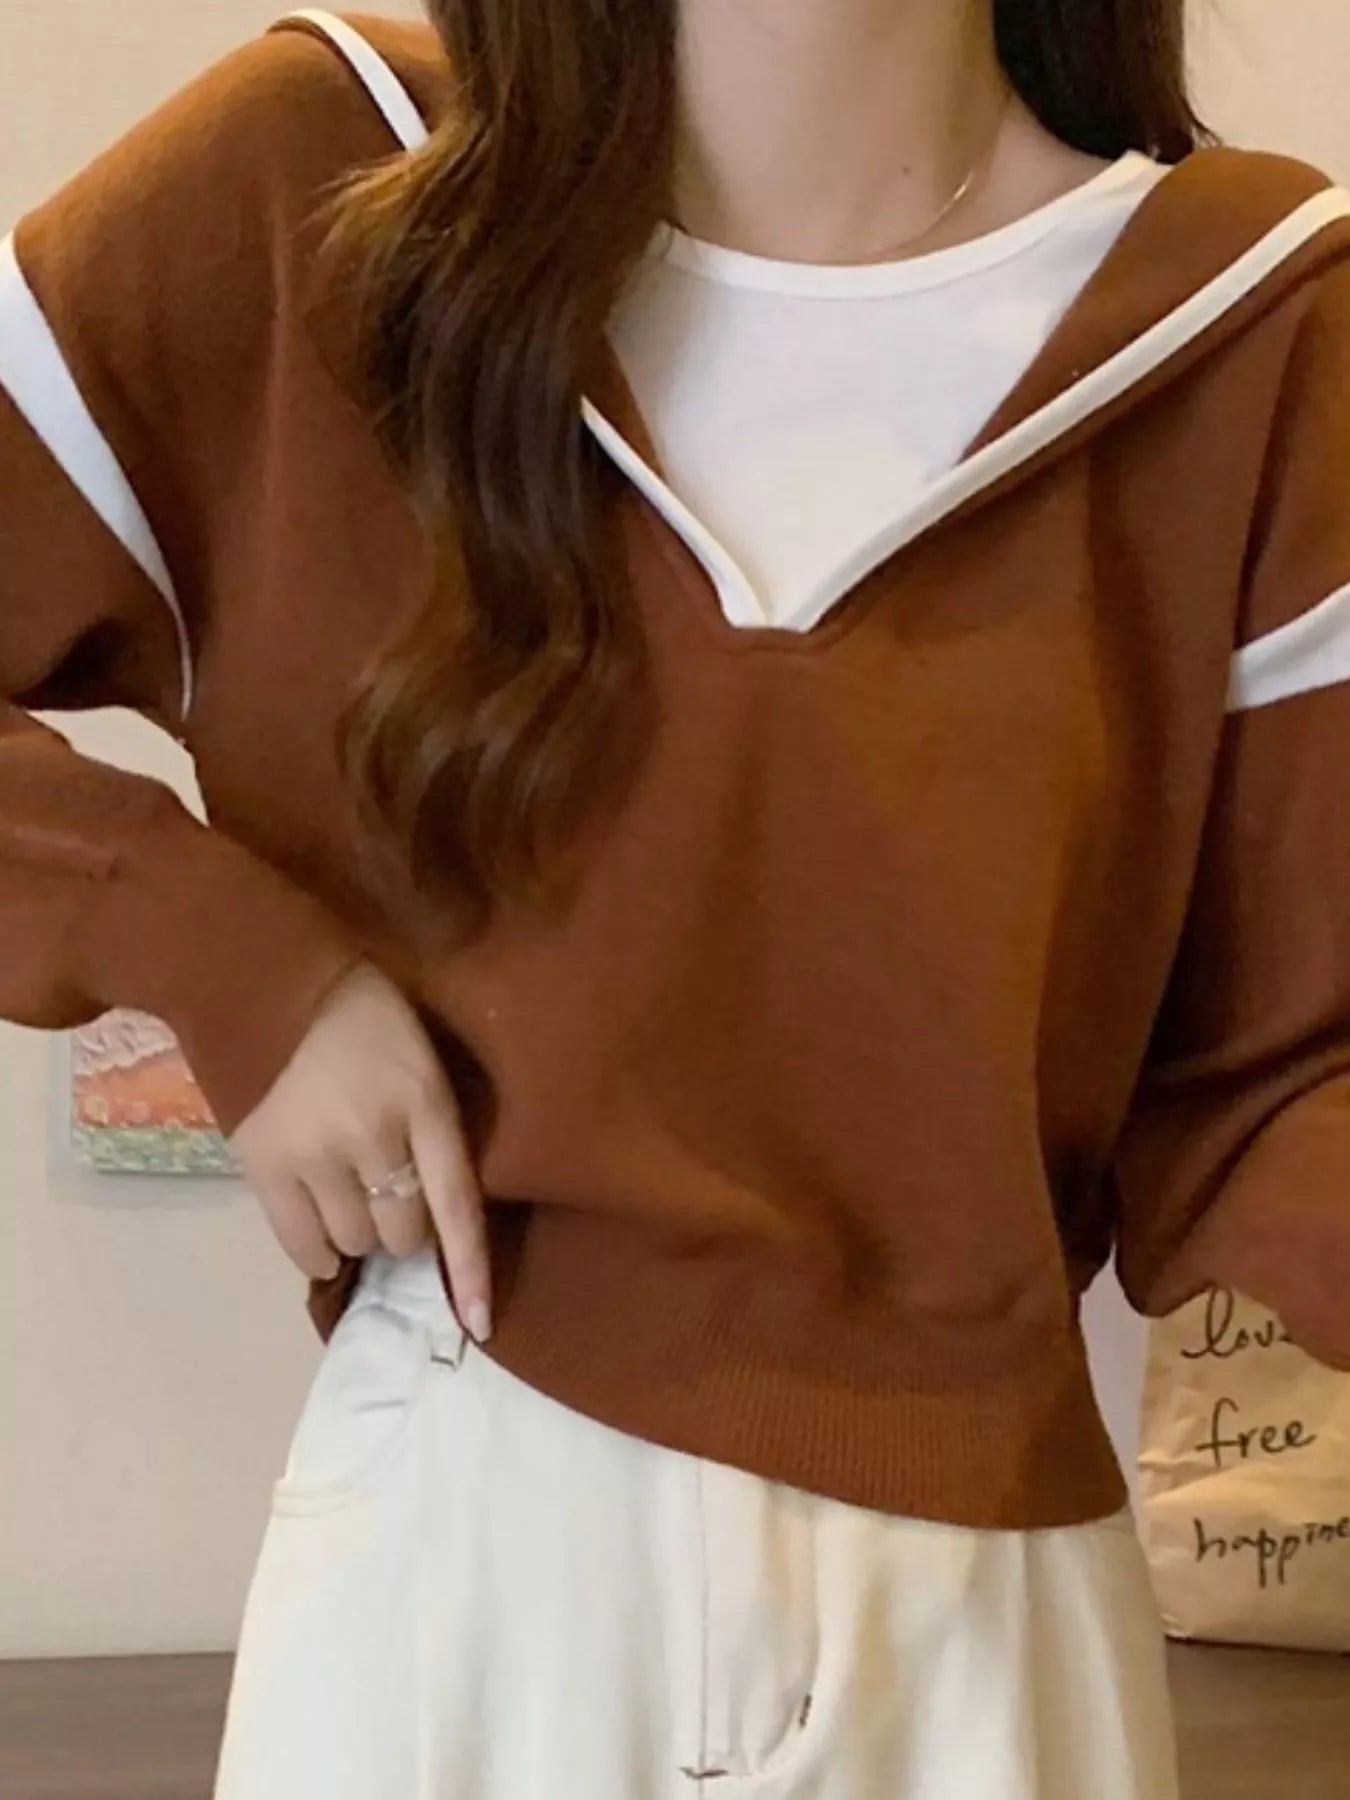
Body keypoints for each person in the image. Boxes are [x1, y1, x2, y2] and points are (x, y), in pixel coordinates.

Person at [4, 0, 1350, 1793]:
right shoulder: (315, 179)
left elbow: (1275, 1080)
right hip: (459, 1564)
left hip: (987, 1621)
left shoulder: (1254, 326)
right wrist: (231, 959)